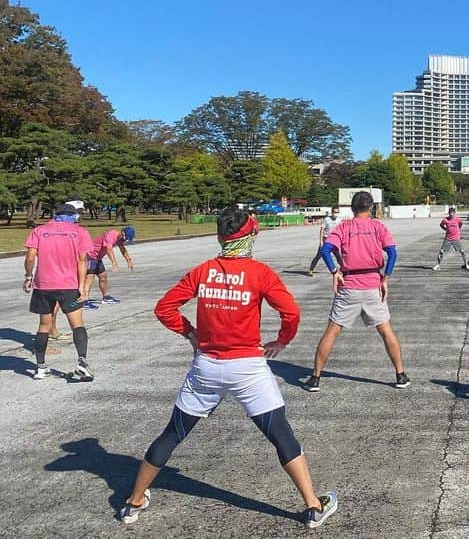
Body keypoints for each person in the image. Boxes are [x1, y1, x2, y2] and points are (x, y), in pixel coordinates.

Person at [119, 208, 337, 528]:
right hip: (248, 368)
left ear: (220, 237)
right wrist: (281, 341)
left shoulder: (203, 271)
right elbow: (291, 313)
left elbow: (164, 308)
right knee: (281, 435)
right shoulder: (260, 273)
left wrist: (190, 332)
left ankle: (134, 502)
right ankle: (313, 506)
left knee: (173, 433)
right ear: (249, 237)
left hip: (206, 367)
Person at [302, 191, 410, 392]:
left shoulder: (343, 228)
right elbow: (393, 252)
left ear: (352, 208)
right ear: (371, 208)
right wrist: (385, 277)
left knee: (332, 330)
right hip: (372, 284)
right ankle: (400, 375)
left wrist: (335, 271)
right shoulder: (378, 227)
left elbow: (326, 250)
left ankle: (315, 378)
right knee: (385, 330)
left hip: (349, 285)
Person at [22, 203, 94, 381]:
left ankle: (40, 368)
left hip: (43, 285)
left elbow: (30, 257)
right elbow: (82, 260)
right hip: (68, 286)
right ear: (73, 216)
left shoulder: (40, 230)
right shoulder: (79, 232)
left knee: (44, 326)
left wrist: (28, 276)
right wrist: (83, 286)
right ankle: (82, 364)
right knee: (77, 324)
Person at [82, 226, 136, 306]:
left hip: (98, 258)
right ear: (122, 233)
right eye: (125, 238)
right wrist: (114, 263)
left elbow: (122, 249)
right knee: (90, 277)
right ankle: (84, 301)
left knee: (103, 276)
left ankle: (106, 297)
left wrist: (129, 260)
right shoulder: (111, 235)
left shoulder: (119, 239)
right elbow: (109, 249)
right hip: (90, 256)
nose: (125, 240)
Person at [432, 206, 469, 271]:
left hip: (456, 238)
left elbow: (461, 223)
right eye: (450, 213)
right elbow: (441, 225)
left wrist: (458, 229)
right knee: (441, 252)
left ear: (454, 213)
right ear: (449, 213)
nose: (451, 214)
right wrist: (445, 229)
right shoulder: (445, 219)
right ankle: (438, 265)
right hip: (448, 238)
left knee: (462, 251)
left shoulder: (457, 219)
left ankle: (466, 264)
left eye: (452, 213)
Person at [308, 206, 343, 276]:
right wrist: (321, 241)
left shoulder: (339, 220)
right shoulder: (327, 219)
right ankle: (311, 269)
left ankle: (344, 269)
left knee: (338, 255)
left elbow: (341, 230)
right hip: (326, 239)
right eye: (335, 212)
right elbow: (322, 230)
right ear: (332, 212)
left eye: (337, 212)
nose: (336, 213)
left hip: (334, 239)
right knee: (319, 255)